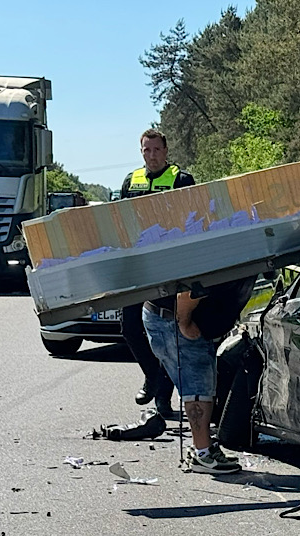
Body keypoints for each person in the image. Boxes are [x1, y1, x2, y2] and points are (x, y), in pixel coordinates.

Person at [118, 129, 196, 418]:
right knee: (129, 326)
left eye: (156, 150)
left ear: (166, 151)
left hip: (170, 265)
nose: (152, 156)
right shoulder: (131, 180)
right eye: (146, 151)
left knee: (165, 333)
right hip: (139, 265)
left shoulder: (181, 179)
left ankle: (163, 399)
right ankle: (152, 376)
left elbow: (192, 219)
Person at [142, 277, 255, 474]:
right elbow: (189, 289)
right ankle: (202, 454)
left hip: (176, 318)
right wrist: (184, 321)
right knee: (197, 388)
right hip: (176, 320)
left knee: (202, 385)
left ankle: (203, 448)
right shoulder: (227, 249)